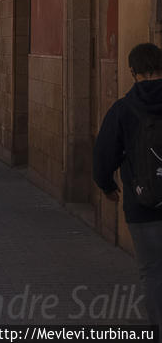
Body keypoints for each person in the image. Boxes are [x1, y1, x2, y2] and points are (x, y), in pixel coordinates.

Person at [93, 42, 162, 333]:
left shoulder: (123, 108)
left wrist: (107, 186)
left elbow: (104, 154)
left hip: (141, 205)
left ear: (133, 72)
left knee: (152, 272)